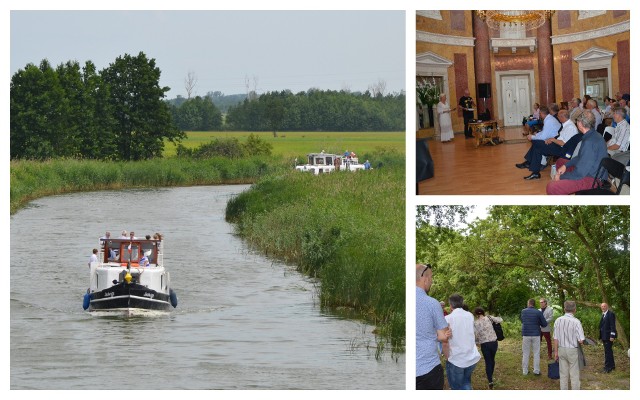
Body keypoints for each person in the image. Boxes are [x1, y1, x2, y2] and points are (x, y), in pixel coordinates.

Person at [546, 110, 608, 195]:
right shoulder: (593, 134)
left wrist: (561, 177)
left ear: (580, 124)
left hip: (593, 179)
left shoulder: (589, 141)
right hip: (590, 171)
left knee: (552, 187)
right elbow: (580, 157)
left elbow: (580, 173)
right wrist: (565, 165)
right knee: (561, 161)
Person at [416, 264, 451, 390]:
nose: (431, 282)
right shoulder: (431, 303)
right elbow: (443, 336)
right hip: (428, 368)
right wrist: (446, 333)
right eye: (431, 278)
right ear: (424, 279)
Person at [518, 109, 579, 180]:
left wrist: (552, 140)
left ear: (563, 117)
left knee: (536, 144)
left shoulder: (570, 127)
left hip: (563, 150)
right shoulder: (566, 124)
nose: (557, 117)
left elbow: (564, 143)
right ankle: (534, 171)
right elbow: (560, 137)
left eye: (558, 116)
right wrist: (552, 139)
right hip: (558, 145)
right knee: (537, 145)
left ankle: (532, 167)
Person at [442, 294, 480, 390]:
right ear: (462, 303)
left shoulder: (447, 319)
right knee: (466, 382)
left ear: (450, 305)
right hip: (471, 356)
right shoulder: (470, 315)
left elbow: (445, 342)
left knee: (457, 387)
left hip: (456, 359)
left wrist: (447, 357)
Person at [553, 300, 585, 390]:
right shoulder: (576, 322)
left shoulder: (558, 320)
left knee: (563, 374)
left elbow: (555, 338)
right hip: (572, 350)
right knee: (574, 374)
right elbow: (581, 340)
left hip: (561, 349)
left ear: (564, 309)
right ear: (574, 310)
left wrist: (556, 352)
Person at [473, 307, 503, 389]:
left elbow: (476, 334)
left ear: (476, 314)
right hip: (493, 343)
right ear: (483, 312)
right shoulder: (489, 318)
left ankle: (490, 380)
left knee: (487, 361)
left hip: (484, 344)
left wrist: (477, 343)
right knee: (492, 359)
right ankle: (491, 374)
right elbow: (500, 320)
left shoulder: (475, 323)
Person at [520, 298, 548, 375]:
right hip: (536, 334)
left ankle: (525, 371)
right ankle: (536, 371)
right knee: (536, 353)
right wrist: (538, 322)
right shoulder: (538, 312)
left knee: (525, 353)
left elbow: (522, 321)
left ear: (529, 304)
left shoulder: (523, 311)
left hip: (526, 334)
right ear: (534, 304)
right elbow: (544, 324)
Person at [599, 303, 617, 373]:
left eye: (604, 306)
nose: (603, 307)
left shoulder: (610, 314)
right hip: (604, 336)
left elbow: (613, 326)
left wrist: (612, 336)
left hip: (608, 337)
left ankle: (607, 368)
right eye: (602, 306)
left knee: (608, 352)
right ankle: (612, 366)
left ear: (607, 307)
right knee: (608, 351)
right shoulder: (603, 314)